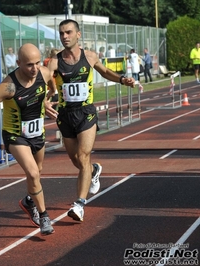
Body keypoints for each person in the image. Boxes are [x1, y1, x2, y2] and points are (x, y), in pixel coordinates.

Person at [47, 19, 135, 222]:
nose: (64, 36)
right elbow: (43, 81)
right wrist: (44, 100)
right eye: (61, 33)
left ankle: (79, 204)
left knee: (83, 155)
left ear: (78, 35)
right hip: (65, 114)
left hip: (86, 112)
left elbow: (104, 72)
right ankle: (94, 170)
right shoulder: (54, 61)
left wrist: (122, 79)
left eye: (68, 32)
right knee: (76, 160)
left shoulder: (90, 56)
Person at [0, 43, 58, 235]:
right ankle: (44, 217)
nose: (34, 69)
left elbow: (51, 83)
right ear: (18, 63)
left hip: (37, 134)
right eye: (29, 65)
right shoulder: (8, 86)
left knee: (38, 172)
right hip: (15, 135)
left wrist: (48, 99)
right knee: (33, 173)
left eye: (37, 63)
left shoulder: (43, 73)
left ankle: (28, 201)